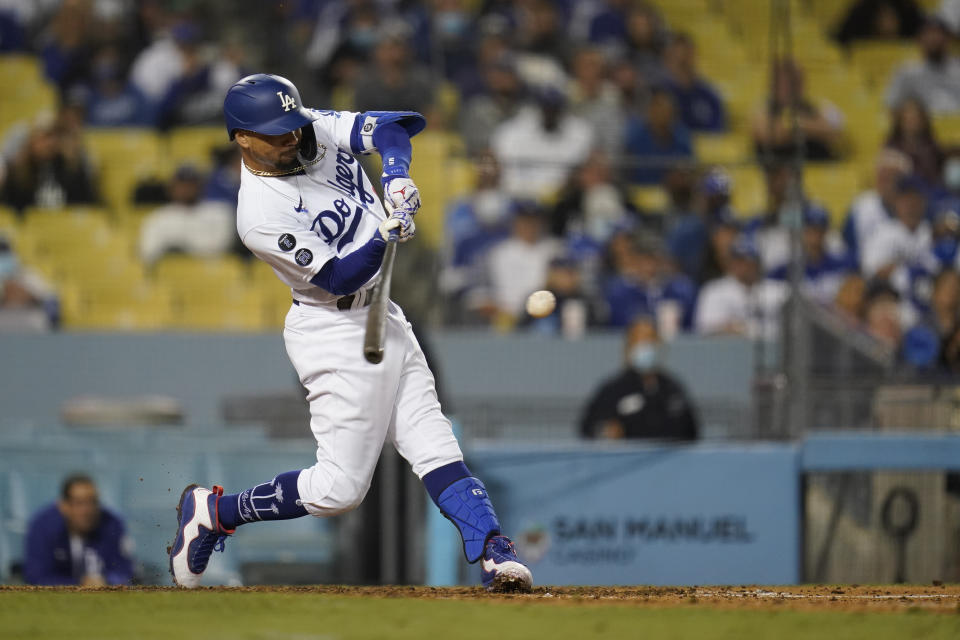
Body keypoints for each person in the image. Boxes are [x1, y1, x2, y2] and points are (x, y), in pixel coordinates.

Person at [169, 74, 533, 593]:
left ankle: (495, 550)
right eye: (275, 133)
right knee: (339, 490)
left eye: (291, 125)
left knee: (435, 444)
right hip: (332, 327)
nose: (290, 138)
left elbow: (398, 126)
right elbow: (340, 276)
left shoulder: (308, 129)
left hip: (382, 314)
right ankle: (215, 512)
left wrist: (397, 178)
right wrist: (386, 233)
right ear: (241, 138)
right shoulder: (259, 214)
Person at [579, 316, 698, 441]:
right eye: (639, 341)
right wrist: (606, 432)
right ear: (628, 349)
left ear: (659, 345)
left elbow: (693, 432)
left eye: (649, 340)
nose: (645, 346)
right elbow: (588, 428)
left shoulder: (673, 389)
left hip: (671, 457)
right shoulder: (612, 390)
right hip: (629, 458)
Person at [24, 474, 133, 586]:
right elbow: (37, 577)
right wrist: (80, 584)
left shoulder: (112, 524)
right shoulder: (43, 526)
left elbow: (125, 572)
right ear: (64, 506)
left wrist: (106, 581)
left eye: (92, 502)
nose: (86, 511)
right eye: (79, 503)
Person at [138, 164, 235, 266]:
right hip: (170, 274)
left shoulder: (220, 212)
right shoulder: (157, 218)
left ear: (200, 186)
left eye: (191, 184)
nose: (186, 189)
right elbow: (148, 252)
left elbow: (219, 247)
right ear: (171, 188)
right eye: (181, 184)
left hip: (208, 272)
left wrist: (179, 247)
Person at [694, 235, 789, 339]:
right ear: (732, 262)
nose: (744, 266)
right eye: (739, 260)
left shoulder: (778, 290)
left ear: (757, 264)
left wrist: (740, 328)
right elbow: (706, 329)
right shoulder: (714, 290)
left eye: (749, 261)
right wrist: (744, 329)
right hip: (727, 351)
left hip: (771, 350)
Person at [750, 59, 844, 161]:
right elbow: (765, 134)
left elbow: (833, 133)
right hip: (775, 168)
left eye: (795, 82)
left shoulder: (817, 106)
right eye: (784, 83)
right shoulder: (763, 107)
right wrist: (805, 129)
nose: (790, 88)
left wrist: (793, 127)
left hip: (814, 165)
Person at [843, 148, 913, 270]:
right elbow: (848, 245)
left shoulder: (914, 206)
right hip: (867, 272)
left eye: (891, 178)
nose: (884, 183)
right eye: (881, 177)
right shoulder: (861, 206)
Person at [885, 15, 960, 115]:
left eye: (938, 34)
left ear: (948, 40)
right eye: (928, 35)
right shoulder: (907, 73)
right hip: (923, 129)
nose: (933, 39)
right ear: (919, 40)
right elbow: (892, 106)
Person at [657, 32, 726, 132]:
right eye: (679, 59)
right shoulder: (661, 96)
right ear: (668, 61)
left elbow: (718, 134)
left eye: (688, 56)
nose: (685, 63)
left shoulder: (710, 95)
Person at [624, 87, 693, 185]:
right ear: (651, 111)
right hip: (641, 190)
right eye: (660, 108)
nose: (664, 114)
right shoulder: (636, 137)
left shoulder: (682, 137)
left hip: (674, 194)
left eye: (668, 110)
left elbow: (688, 168)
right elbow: (630, 172)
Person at [884, 97, 945, 187]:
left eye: (916, 117)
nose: (912, 122)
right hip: (904, 193)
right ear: (901, 120)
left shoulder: (931, 145)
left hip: (931, 191)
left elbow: (938, 173)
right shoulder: (892, 146)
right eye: (908, 118)